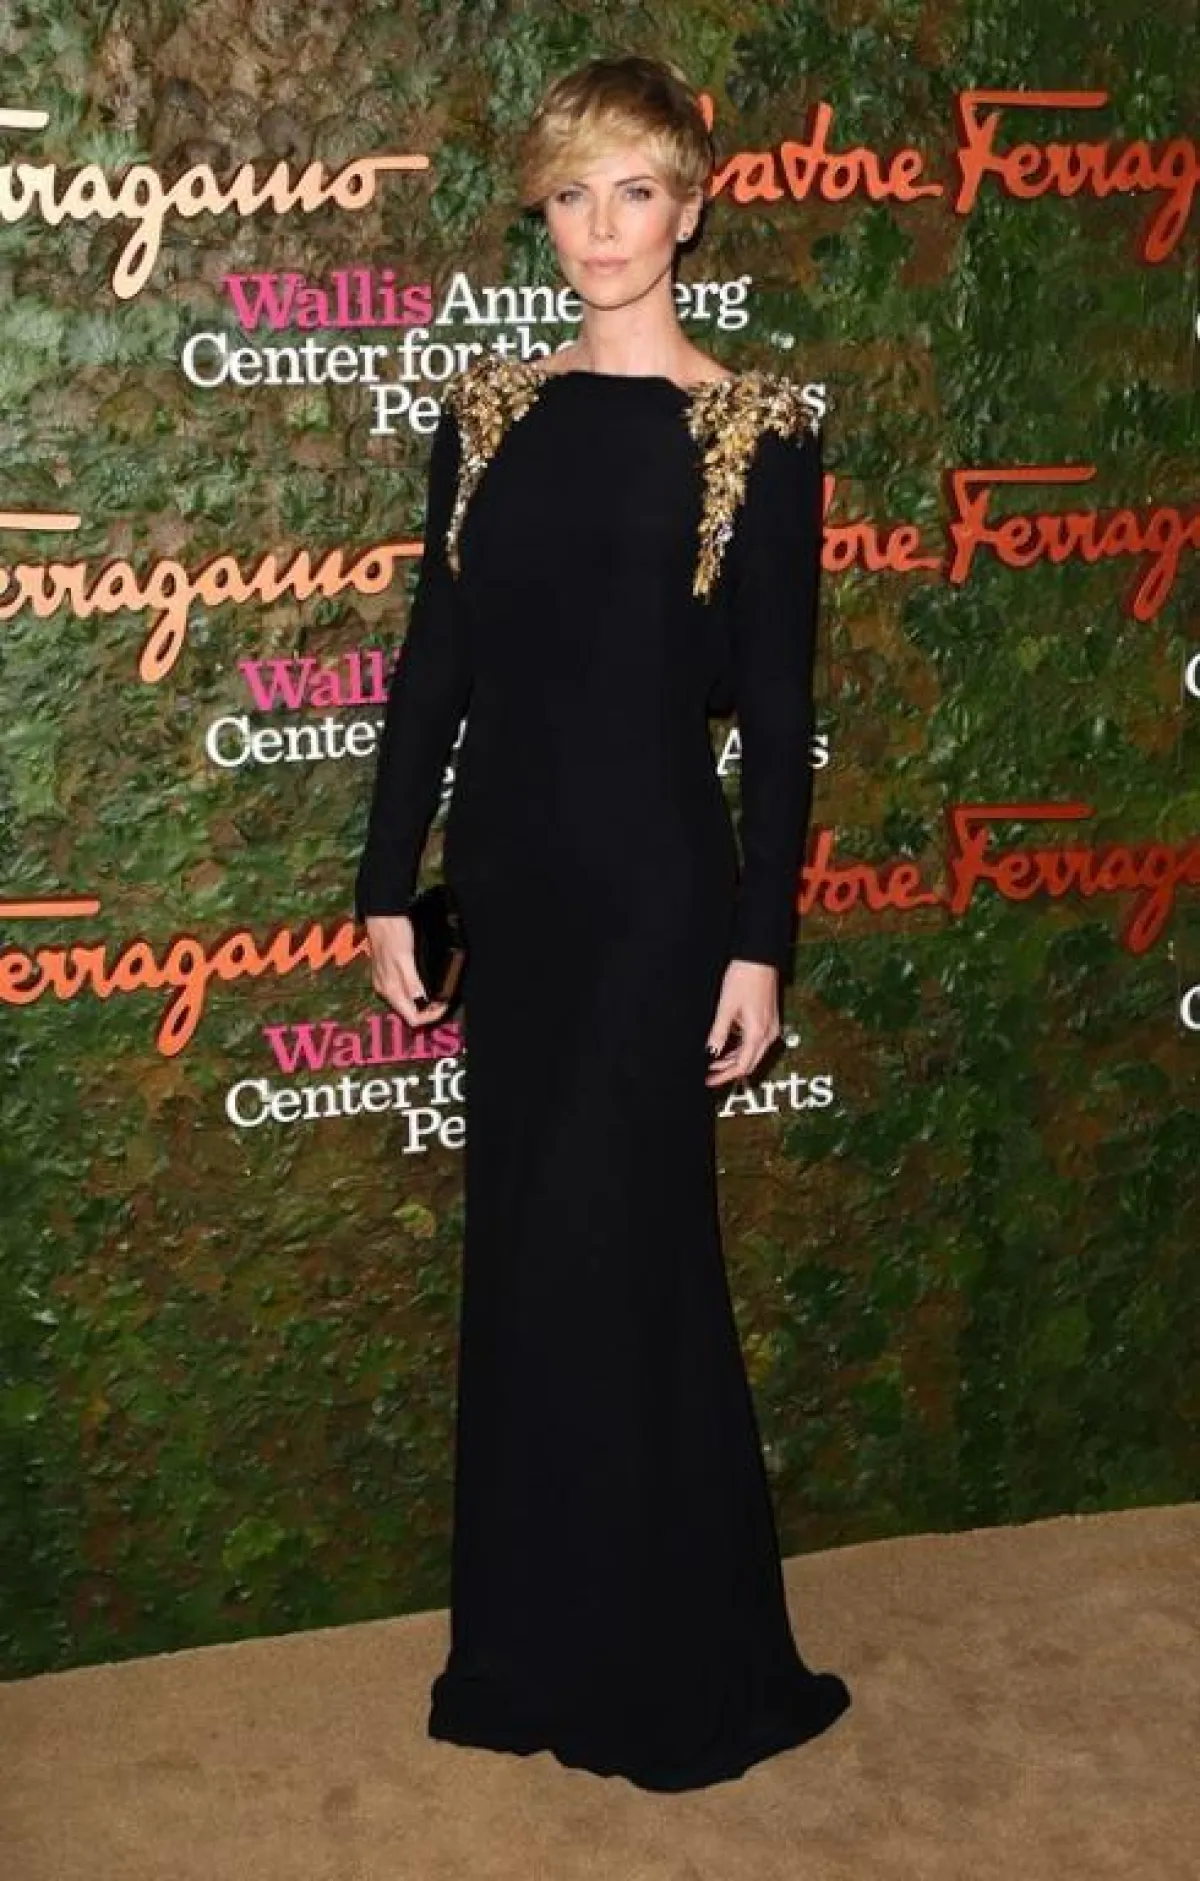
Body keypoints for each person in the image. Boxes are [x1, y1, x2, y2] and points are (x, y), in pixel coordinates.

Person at [353, 51, 851, 1791]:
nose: (602, 226)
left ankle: (672, 1661)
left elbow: (777, 715)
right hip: (513, 891)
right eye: (571, 194)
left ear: (690, 209)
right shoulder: (489, 416)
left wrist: (759, 940)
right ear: (544, 215)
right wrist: (385, 881)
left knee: (632, 1255)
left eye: (635, 191)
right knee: (527, 1260)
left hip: (654, 901)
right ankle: (529, 1645)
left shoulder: (759, 434)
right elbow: (437, 665)